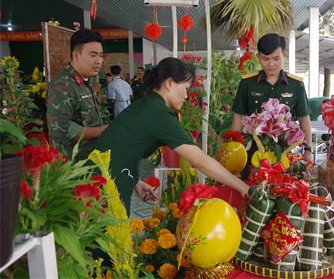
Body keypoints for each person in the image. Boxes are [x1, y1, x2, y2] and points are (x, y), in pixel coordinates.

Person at [90, 57, 250, 215]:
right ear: (169, 83)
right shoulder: (160, 114)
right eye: (186, 88)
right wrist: (243, 187)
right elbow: (201, 161)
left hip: (93, 181)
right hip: (102, 190)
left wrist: (134, 181)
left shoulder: (144, 104)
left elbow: (118, 149)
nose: (187, 96)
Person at [231, 33, 312, 179]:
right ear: (258, 57)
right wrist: (233, 149)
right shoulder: (247, 83)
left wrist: (308, 149)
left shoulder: (296, 85)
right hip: (251, 154)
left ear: (284, 55)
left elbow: (303, 117)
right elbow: (239, 116)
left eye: (276, 58)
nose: (271, 64)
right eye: (265, 59)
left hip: (284, 154)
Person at [46, 29, 108, 162]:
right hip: (71, 166)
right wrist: (103, 131)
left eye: (100, 55)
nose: (99, 61)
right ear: (76, 55)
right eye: (93, 55)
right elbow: (61, 130)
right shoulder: (63, 85)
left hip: (87, 162)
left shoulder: (84, 82)